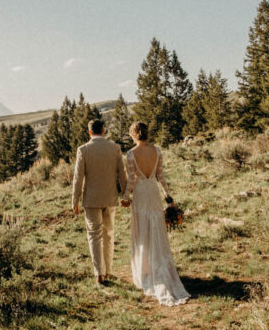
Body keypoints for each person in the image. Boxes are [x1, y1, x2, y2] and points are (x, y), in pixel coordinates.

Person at [120, 121, 190, 306]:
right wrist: (169, 196)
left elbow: (131, 180)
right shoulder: (157, 151)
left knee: (142, 232)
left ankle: (145, 272)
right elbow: (161, 177)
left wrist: (126, 197)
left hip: (141, 195)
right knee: (156, 230)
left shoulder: (130, 154)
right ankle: (159, 268)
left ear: (133, 135)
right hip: (153, 192)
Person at [71, 118, 128, 284]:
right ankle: (108, 271)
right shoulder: (115, 148)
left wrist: (75, 199)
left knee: (94, 236)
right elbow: (122, 173)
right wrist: (125, 195)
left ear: (89, 132)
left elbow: (78, 177)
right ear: (103, 131)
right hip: (110, 198)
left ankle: (99, 273)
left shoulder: (83, 150)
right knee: (108, 234)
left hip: (91, 199)